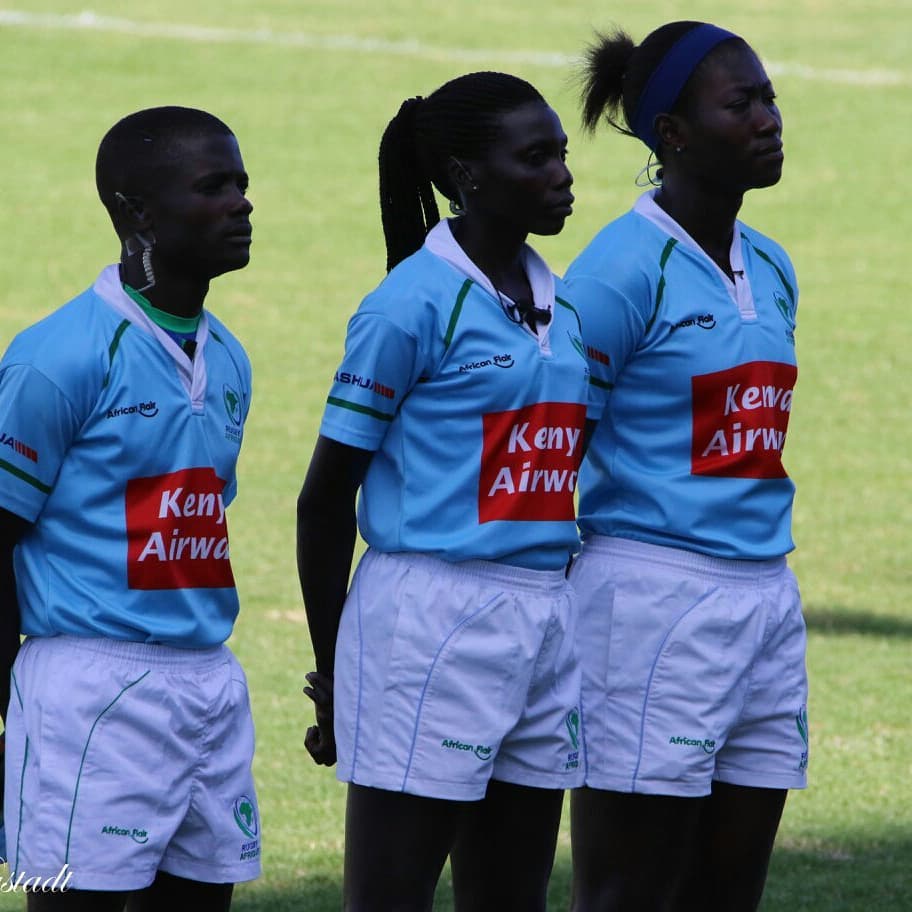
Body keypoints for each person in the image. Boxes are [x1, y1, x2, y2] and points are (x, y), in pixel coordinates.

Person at [297, 71, 586, 911]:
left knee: (512, 897)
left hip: (539, 612)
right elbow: (324, 500)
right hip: (429, 622)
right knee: (391, 897)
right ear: (466, 176)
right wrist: (330, 667)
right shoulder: (407, 306)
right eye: (535, 158)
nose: (562, 175)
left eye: (562, 154)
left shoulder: (559, 302)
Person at [563, 22, 808, 912]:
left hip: (764, 597)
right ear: (672, 133)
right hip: (651, 601)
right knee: (627, 890)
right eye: (740, 103)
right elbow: (557, 442)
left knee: (728, 888)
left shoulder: (772, 265)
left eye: (768, 96)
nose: (768, 118)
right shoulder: (618, 271)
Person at [0, 106, 260, 910]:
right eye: (215, 186)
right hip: (88, 687)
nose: (243, 204)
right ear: (138, 210)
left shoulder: (232, 360)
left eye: (243, 183)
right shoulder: (60, 357)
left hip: (208, 680)